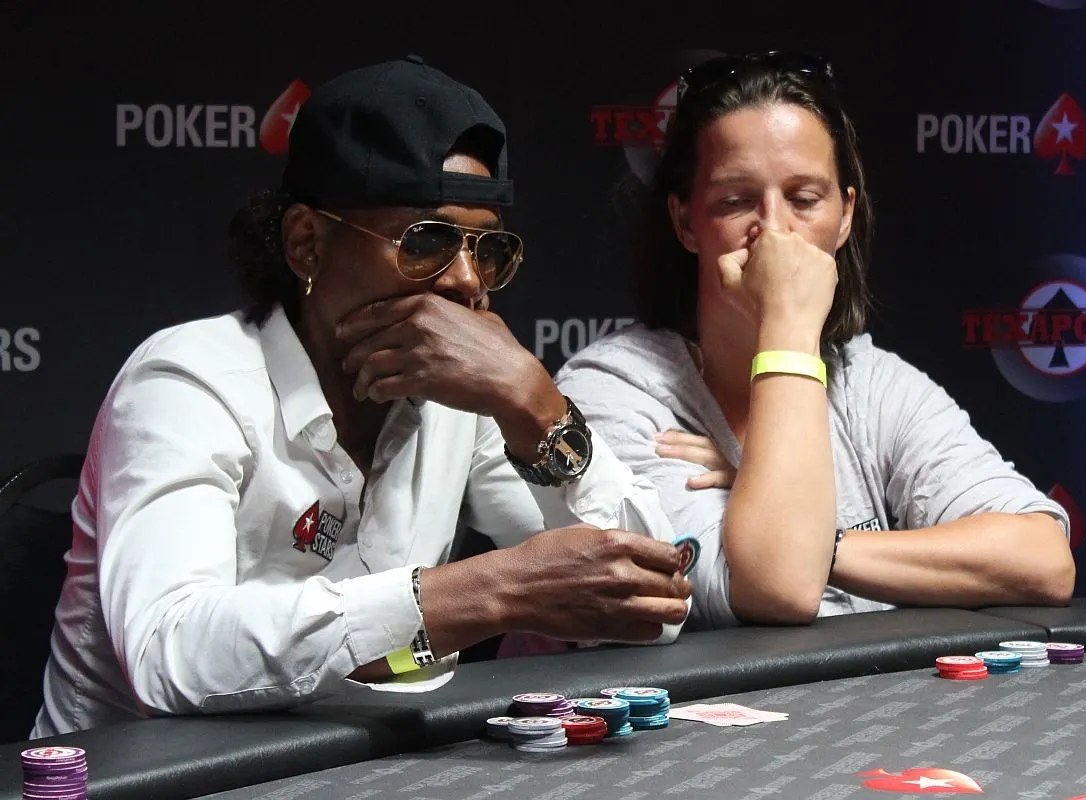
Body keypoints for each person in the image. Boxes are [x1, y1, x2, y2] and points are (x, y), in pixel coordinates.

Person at [32, 55, 690, 738]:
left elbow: (655, 605)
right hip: (142, 775)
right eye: (427, 241)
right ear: (306, 244)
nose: (468, 282)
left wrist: (536, 405)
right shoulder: (188, 380)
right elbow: (167, 653)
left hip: (353, 772)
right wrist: (492, 590)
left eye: (487, 250)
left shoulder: (465, 398)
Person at [555, 52, 1075, 630]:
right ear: (685, 222)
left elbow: (1044, 561)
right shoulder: (613, 391)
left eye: (804, 199)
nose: (775, 231)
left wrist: (824, 540)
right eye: (735, 201)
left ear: (844, 216)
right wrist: (789, 322)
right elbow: (779, 587)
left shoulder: (867, 383)